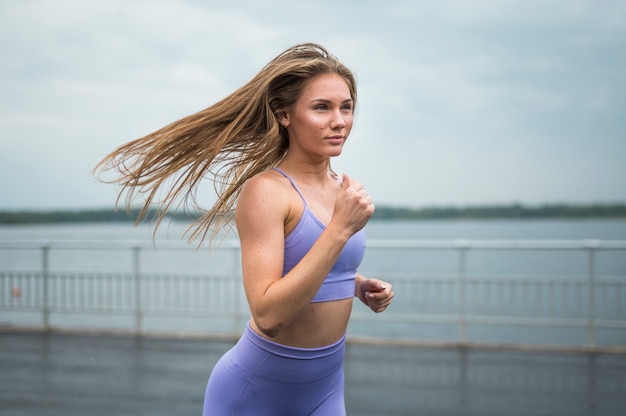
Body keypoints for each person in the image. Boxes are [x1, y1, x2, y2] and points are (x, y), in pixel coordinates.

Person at [94, 42, 394, 415]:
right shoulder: (266, 191)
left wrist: (357, 284)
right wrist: (339, 230)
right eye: (322, 107)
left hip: (326, 390)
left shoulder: (341, 189)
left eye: (345, 106)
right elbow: (268, 315)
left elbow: (314, 264)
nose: (339, 120)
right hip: (255, 394)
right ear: (285, 115)